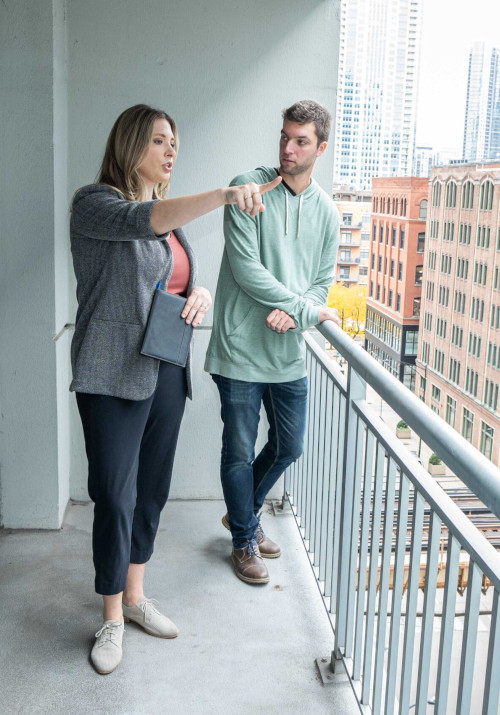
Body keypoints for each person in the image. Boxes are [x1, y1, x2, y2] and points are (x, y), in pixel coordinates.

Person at [70, 103, 280, 674]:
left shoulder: (170, 218)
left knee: (152, 489)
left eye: (175, 144)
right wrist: (225, 194)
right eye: (161, 141)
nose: (171, 152)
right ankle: (110, 616)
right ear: (131, 142)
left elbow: (178, 270)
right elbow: (146, 224)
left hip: (164, 366)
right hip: (110, 371)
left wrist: (203, 294)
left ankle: (135, 597)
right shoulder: (96, 204)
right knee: (115, 494)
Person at [205, 99, 340, 585]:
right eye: (285, 136)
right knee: (238, 451)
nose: (288, 147)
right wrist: (305, 310)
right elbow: (246, 270)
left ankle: (243, 514)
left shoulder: (328, 212)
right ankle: (243, 539)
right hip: (240, 349)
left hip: (287, 353)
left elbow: (322, 283)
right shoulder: (250, 188)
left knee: (289, 445)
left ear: (319, 148)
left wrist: (300, 310)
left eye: (301, 140)